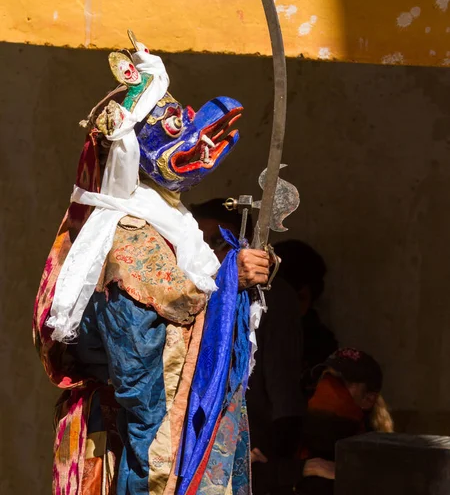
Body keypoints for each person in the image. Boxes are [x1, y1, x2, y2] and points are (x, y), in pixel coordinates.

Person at [33, 35, 270, 495]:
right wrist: (229, 278)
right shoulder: (126, 240)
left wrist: (235, 279)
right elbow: (142, 383)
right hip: (128, 449)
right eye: (172, 128)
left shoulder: (169, 225)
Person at [191, 200, 305, 495]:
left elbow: (283, 383)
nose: (210, 253)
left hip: (254, 439)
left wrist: (272, 453)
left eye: (219, 242)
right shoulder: (189, 288)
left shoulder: (272, 297)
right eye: (200, 242)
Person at [296, 348, 394, 495]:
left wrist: (346, 474)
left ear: (368, 399)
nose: (328, 387)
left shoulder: (376, 451)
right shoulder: (297, 430)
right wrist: (303, 468)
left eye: (342, 382)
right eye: (326, 376)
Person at [274, 240, 338, 396]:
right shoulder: (251, 333)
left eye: (299, 298)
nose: (290, 306)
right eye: (283, 298)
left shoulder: (320, 342)